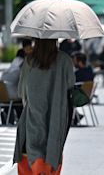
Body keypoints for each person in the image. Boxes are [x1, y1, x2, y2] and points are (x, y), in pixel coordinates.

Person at [13, 39, 75, 175]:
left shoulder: (29, 60)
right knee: (51, 159)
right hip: (55, 120)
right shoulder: (64, 60)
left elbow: (21, 91)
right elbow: (71, 85)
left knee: (28, 160)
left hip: (31, 122)